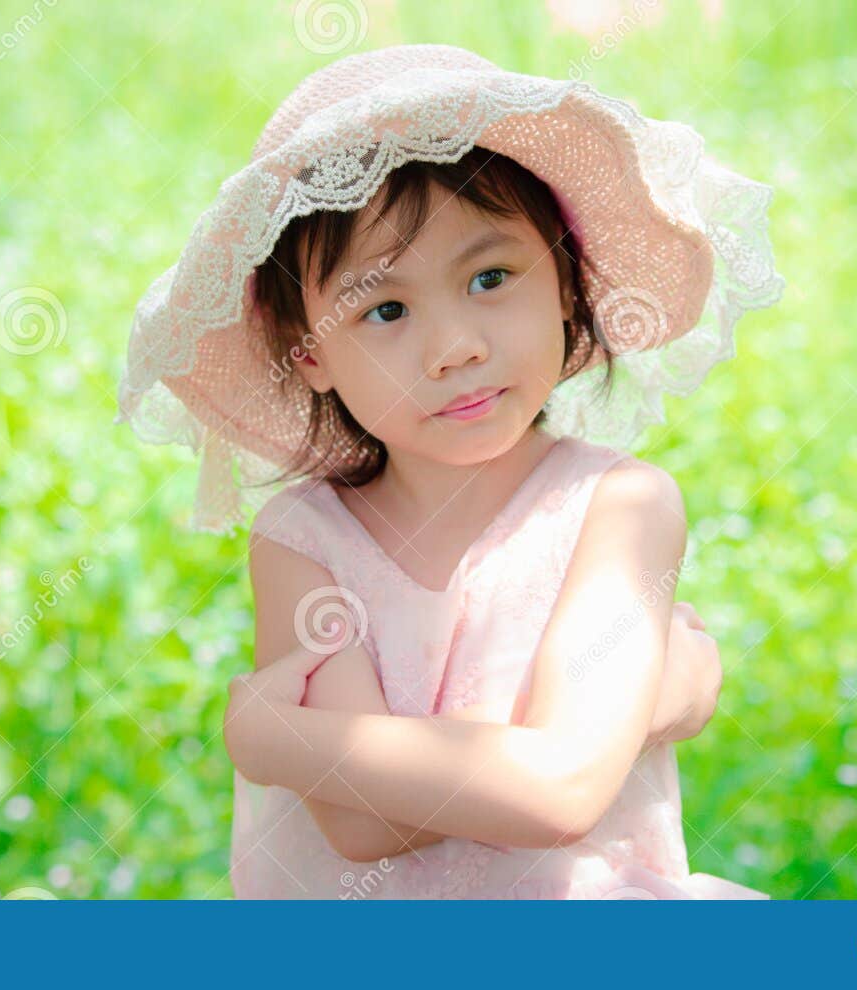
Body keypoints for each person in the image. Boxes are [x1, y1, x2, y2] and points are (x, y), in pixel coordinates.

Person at [118, 43, 784, 898]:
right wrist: (628, 710)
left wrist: (279, 741)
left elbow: (562, 793)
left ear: (570, 286)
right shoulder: (305, 542)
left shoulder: (616, 508)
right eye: (386, 309)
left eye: (492, 277)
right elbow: (363, 824)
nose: (456, 347)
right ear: (310, 355)